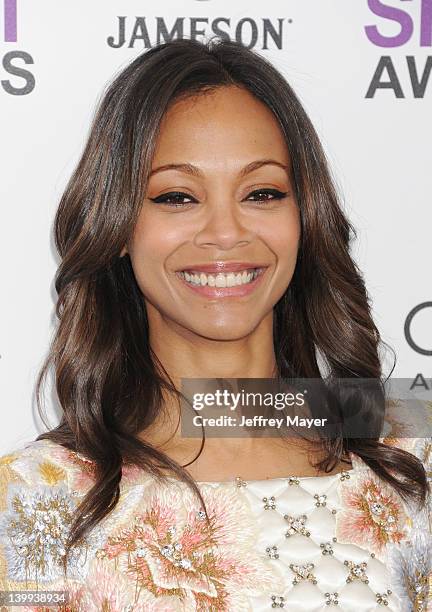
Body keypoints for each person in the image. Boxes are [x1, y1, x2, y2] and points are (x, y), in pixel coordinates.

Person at [0, 37, 430, 611]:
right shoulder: (36, 494)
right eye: (177, 197)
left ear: (305, 216)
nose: (226, 234)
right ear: (119, 227)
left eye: (262, 192)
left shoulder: (407, 453)